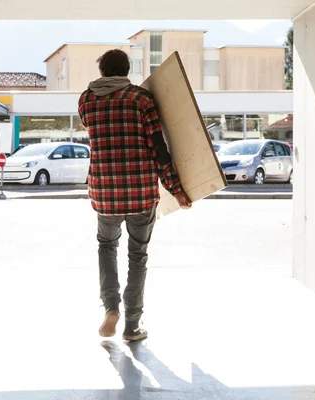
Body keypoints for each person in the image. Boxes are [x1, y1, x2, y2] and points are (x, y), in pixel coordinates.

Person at [78, 49, 192, 342]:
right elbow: (158, 147)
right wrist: (176, 190)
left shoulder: (86, 100)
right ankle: (131, 325)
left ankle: (111, 308)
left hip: (105, 192)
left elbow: (92, 128)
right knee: (137, 255)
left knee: (106, 247)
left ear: (102, 72)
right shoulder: (141, 100)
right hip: (140, 192)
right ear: (126, 71)